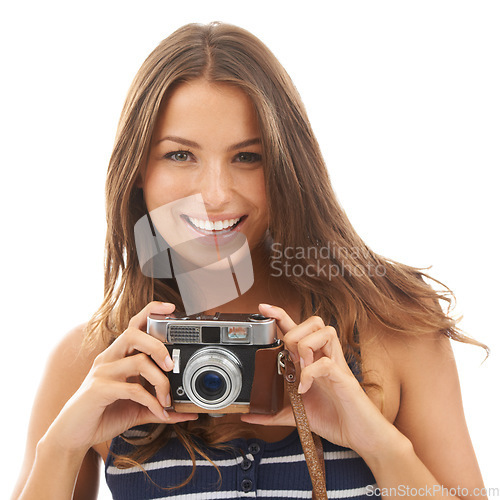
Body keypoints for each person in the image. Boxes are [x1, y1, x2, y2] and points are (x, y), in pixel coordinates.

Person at [12, 22, 487, 500]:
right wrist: (59, 449)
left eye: (247, 157)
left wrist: (378, 446)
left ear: (286, 166)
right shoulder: (92, 361)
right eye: (180, 154)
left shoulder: (394, 328)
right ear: (137, 170)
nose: (215, 195)